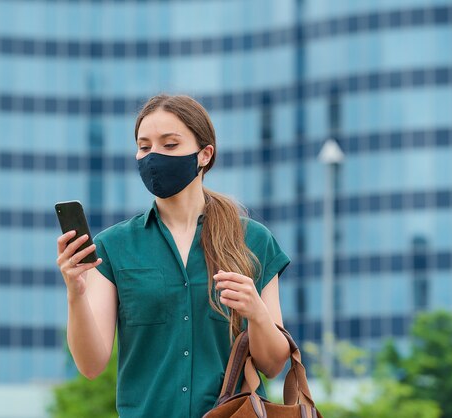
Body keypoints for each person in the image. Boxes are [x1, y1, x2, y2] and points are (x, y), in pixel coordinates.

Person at [56, 94, 291, 418]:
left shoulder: (252, 240)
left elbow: (274, 364)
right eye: (144, 146)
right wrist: (75, 294)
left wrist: (257, 312)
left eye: (169, 145)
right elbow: (91, 365)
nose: (153, 156)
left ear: (204, 155)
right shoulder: (113, 246)